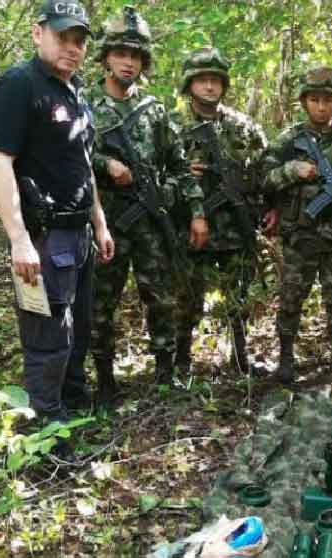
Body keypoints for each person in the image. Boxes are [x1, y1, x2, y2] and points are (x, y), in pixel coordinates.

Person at [0, 0, 114, 455]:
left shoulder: (75, 91)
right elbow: (0, 162)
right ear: (39, 33)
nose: (72, 48)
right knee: (47, 337)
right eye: (63, 36)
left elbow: (81, 163)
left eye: (79, 40)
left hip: (77, 234)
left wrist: (99, 221)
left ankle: (71, 410)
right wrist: (19, 239)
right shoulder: (19, 85)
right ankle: (47, 436)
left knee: (77, 329)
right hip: (43, 237)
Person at [87, 7, 208, 404]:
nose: (129, 62)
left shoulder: (154, 111)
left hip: (150, 226)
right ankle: (105, 378)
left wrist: (195, 212)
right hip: (107, 221)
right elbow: (68, 157)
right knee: (102, 301)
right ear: (106, 57)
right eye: (122, 53)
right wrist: (107, 165)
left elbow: (179, 166)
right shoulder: (85, 106)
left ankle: (164, 372)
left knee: (162, 298)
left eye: (136, 56)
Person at [261, 66, 332, 383]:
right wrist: (291, 170)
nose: (321, 107)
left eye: (327, 100)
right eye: (315, 100)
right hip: (300, 237)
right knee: (291, 299)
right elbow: (262, 180)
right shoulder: (287, 142)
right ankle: (285, 358)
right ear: (304, 102)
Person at [172, 47, 272, 376]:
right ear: (190, 84)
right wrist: (181, 172)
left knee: (239, 299)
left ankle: (241, 358)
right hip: (190, 229)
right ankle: (181, 362)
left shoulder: (244, 128)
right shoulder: (172, 127)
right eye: (202, 80)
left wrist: (271, 209)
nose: (210, 87)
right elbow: (151, 173)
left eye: (215, 80)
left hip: (236, 229)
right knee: (186, 299)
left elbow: (266, 171)